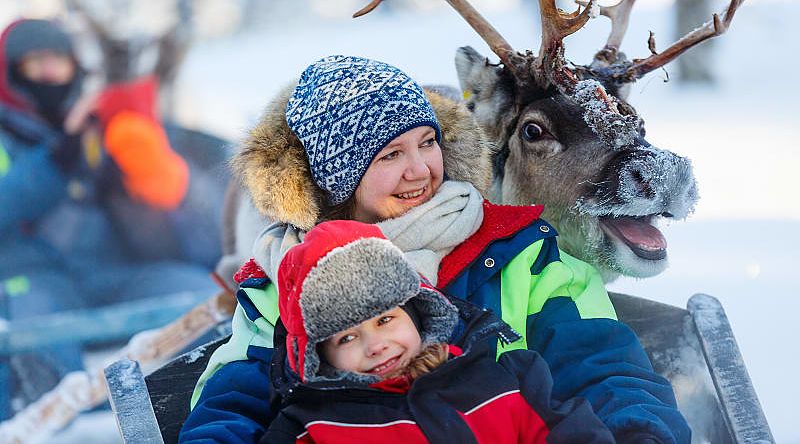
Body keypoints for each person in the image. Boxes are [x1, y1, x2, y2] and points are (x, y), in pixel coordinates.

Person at [181, 55, 690, 443]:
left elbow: (603, 367)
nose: (421, 169)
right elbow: (233, 400)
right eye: (390, 155)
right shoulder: (283, 282)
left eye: (427, 142)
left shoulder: (519, 254)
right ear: (338, 180)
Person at [0, 18, 220, 419]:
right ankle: (57, 425)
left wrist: (135, 166)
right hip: (33, 280)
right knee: (34, 347)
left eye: (58, 62)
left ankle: (194, 408)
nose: (50, 74)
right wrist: (55, 161)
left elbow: (183, 200)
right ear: (11, 72)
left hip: (112, 274)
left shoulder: (96, 123)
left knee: (205, 298)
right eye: (36, 64)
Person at [259, 219, 615, 443]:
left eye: (385, 320)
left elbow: (568, 429)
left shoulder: (500, 380)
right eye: (346, 337)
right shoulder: (312, 426)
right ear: (319, 355)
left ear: (417, 313)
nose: (376, 345)